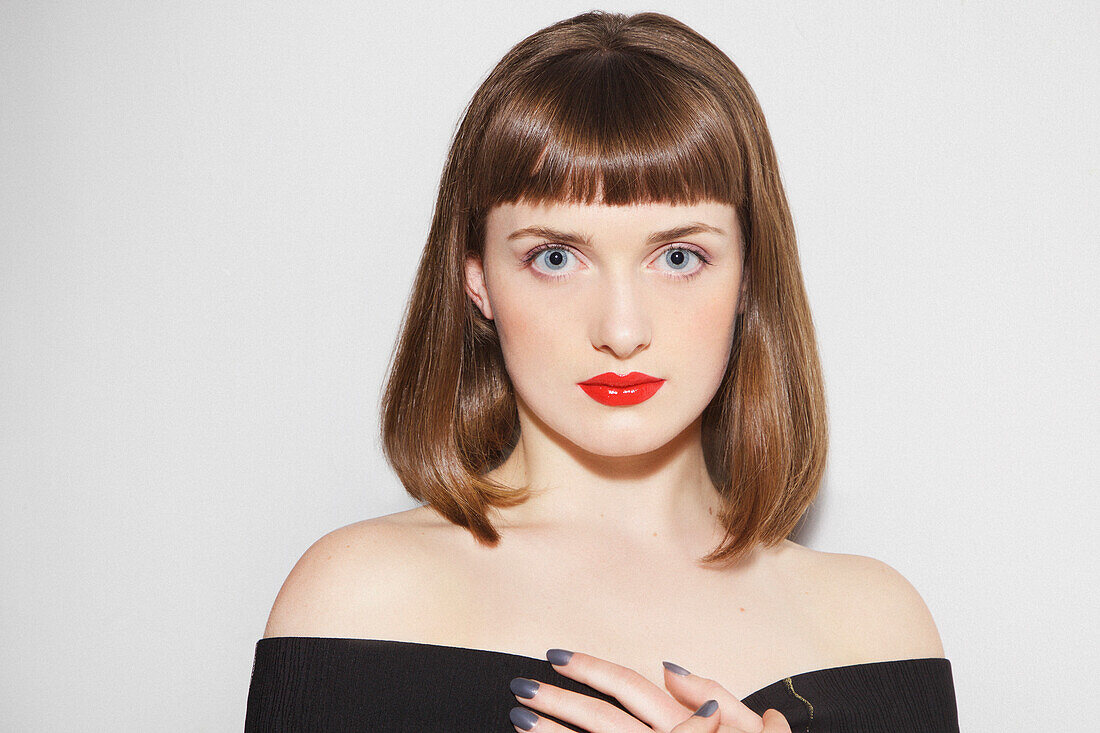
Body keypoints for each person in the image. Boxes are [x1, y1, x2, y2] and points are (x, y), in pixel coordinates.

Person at [245, 10, 960, 732]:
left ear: (748, 276)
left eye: (679, 257)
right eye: (555, 257)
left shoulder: (876, 627)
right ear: (477, 280)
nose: (621, 331)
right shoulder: (358, 601)